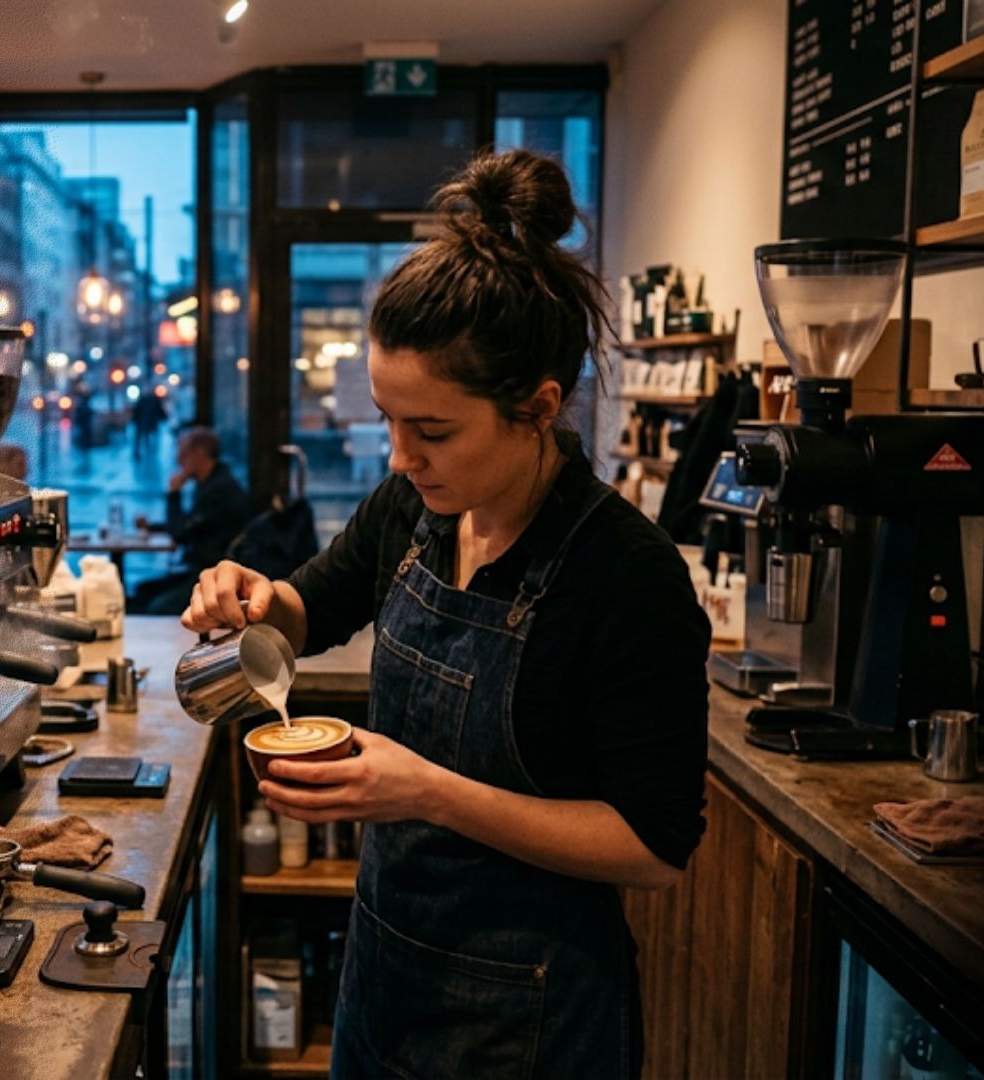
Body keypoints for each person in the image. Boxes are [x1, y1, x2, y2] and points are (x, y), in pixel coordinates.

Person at [182, 150, 710, 1078]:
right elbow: (312, 605)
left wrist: (427, 791)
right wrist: (253, 596)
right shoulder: (416, 509)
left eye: (431, 431)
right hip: (383, 978)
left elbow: (653, 847)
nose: (399, 457)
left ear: (538, 409)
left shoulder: (625, 574)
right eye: (389, 419)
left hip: (529, 1018)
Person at [134, 426, 250, 614]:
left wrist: (174, 493)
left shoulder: (220, 491)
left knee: (156, 606)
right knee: (143, 591)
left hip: (215, 576)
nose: (178, 458)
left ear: (200, 453)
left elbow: (180, 533)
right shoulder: (209, 483)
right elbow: (191, 524)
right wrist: (153, 527)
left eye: (183, 452)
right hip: (200, 571)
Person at [132, 385, 167, 460]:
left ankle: (140, 451)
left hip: (143, 422)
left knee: (141, 437)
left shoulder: (142, 399)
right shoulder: (154, 400)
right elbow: (160, 410)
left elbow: (136, 411)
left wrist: (134, 420)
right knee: (148, 436)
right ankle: (147, 450)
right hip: (149, 422)